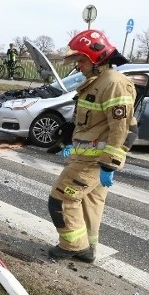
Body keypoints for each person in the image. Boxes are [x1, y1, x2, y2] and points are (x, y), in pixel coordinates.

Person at [47, 29, 137, 263]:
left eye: (81, 61)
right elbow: (92, 121)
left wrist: (110, 164)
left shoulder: (114, 83)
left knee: (62, 199)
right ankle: (87, 248)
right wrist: (69, 138)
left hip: (94, 162)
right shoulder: (99, 82)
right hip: (86, 157)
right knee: (89, 203)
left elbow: (123, 128)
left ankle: (72, 245)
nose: (79, 66)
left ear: (97, 58)